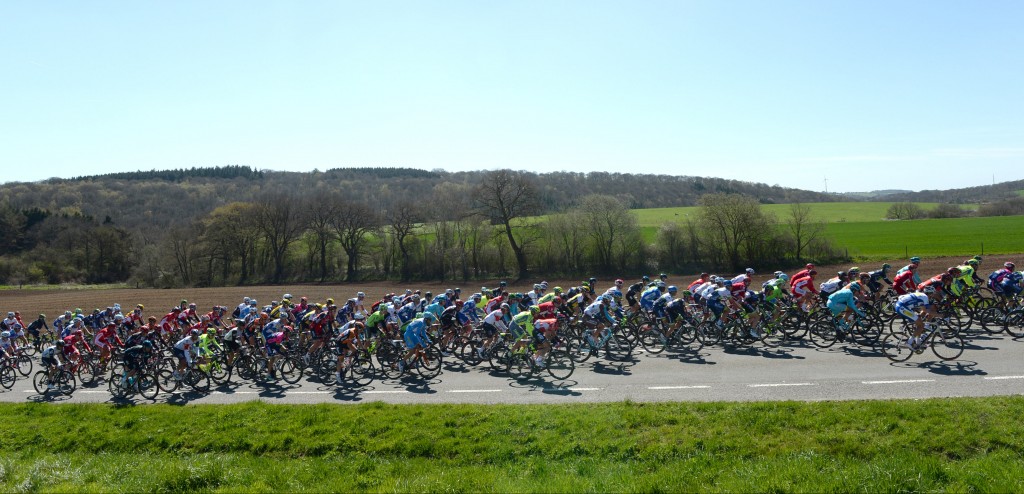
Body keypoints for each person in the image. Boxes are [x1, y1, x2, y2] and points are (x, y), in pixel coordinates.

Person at [893, 285, 941, 350]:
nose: (933, 296)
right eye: (932, 294)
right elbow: (927, 310)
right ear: (929, 293)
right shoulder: (925, 297)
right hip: (902, 308)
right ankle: (909, 342)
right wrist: (940, 315)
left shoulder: (922, 295)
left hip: (901, 306)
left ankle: (918, 342)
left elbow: (923, 309)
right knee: (921, 325)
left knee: (920, 323)